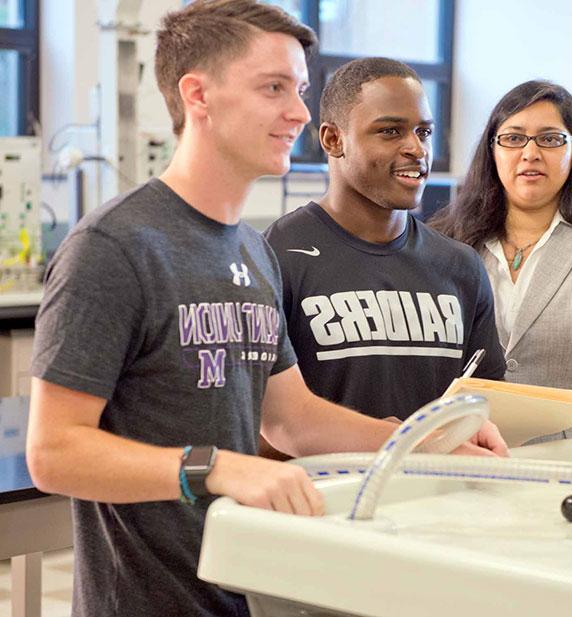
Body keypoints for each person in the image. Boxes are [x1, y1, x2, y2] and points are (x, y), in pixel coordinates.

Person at [26, 3, 505, 616]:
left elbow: (293, 420)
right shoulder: (115, 248)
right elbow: (53, 453)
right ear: (197, 95)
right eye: (274, 88)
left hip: (240, 588)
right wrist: (218, 468)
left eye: (301, 90)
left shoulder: (252, 250)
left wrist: (425, 443)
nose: (300, 113)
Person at [263, 57, 506, 422]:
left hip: (438, 480)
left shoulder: (460, 266)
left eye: (423, 132)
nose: (417, 149)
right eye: (390, 131)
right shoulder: (278, 254)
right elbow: (256, 425)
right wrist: (377, 440)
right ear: (333, 139)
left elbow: (489, 408)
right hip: (324, 481)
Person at [431, 80, 572, 437]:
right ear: (492, 150)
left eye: (550, 139)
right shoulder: (448, 244)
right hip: (469, 452)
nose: (530, 153)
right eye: (513, 138)